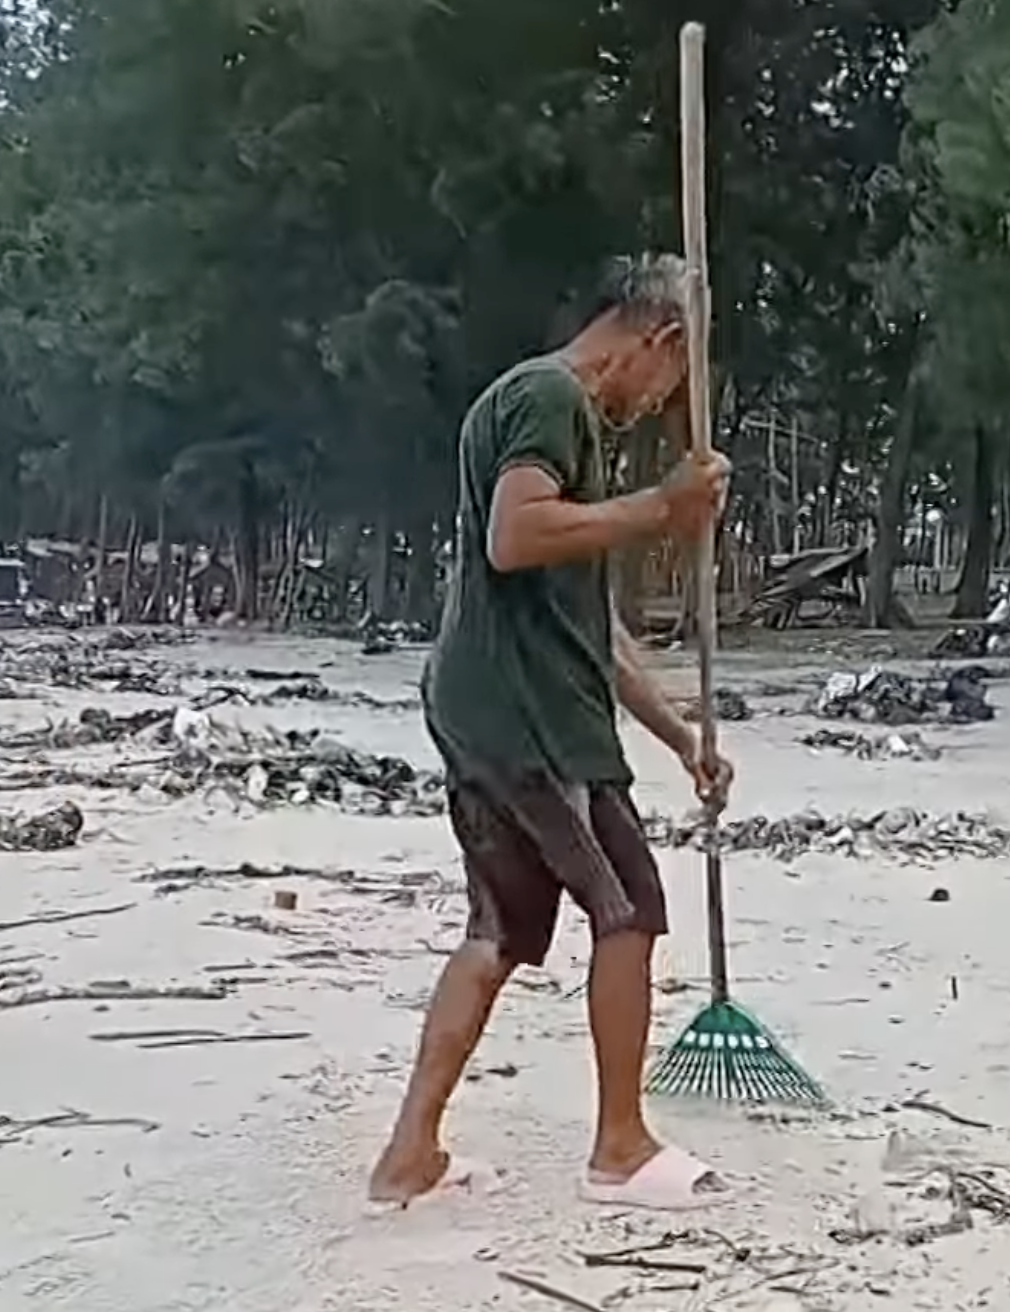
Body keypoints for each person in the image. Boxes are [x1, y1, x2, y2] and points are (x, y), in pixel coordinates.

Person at [367, 253, 736, 1212]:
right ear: (656, 342)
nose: (664, 404)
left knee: (497, 930)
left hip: (493, 702)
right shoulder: (550, 398)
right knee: (631, 908)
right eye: (675, 380)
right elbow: (515, 535)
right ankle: (619, 1147)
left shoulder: (551, 414)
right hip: (526, 715)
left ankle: (408, 1158)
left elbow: (586, 629)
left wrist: (680, 734)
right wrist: (663, 507)